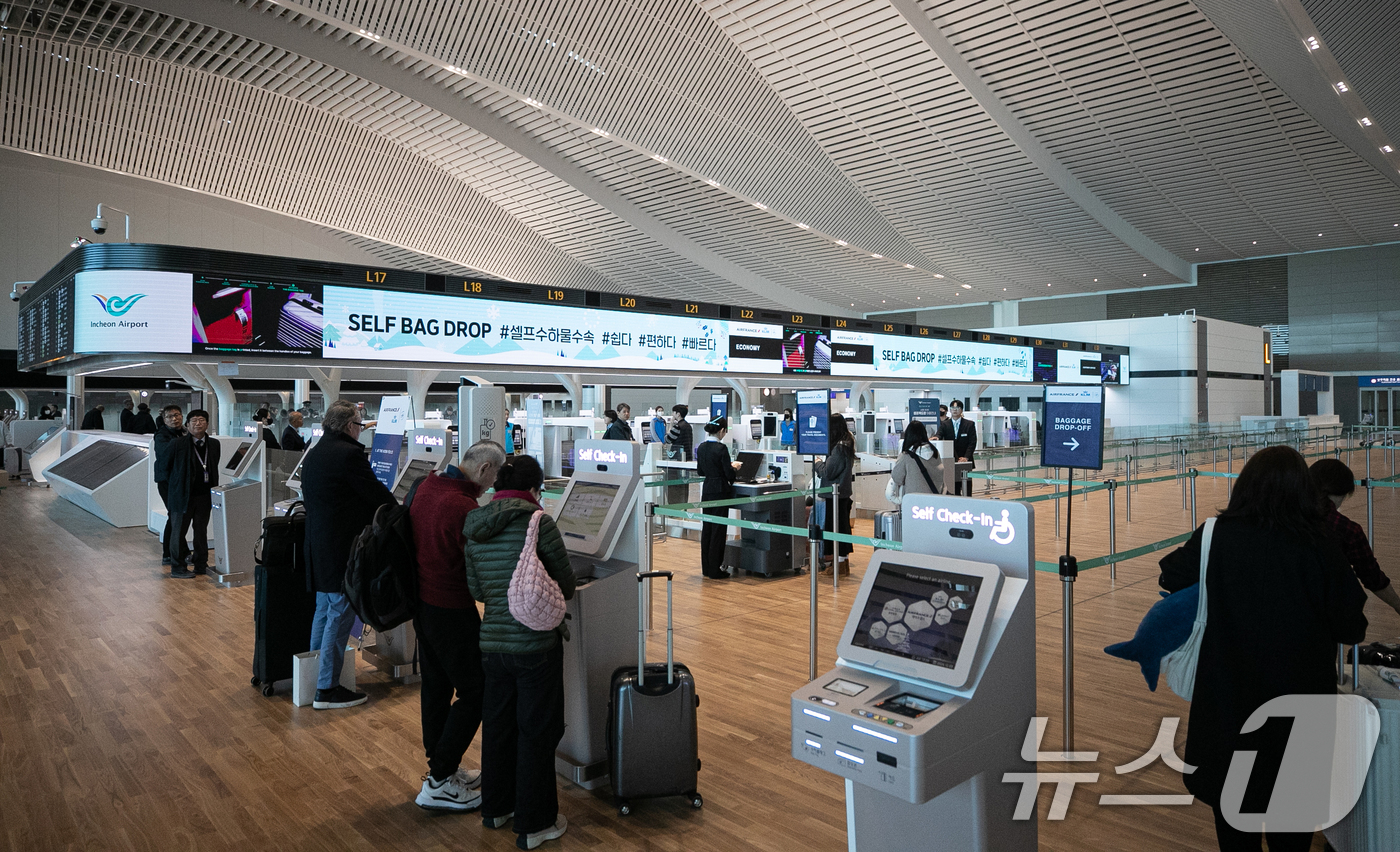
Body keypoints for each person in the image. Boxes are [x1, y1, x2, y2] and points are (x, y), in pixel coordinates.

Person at [1159, 446, 1367, 852]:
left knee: (1235, 818)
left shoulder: (1215, 535)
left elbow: (1171, 575)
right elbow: (1351, 625)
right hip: (1300, 706)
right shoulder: (1319, 543)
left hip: (1228, 701)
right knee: (1293, 822)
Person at [464, 455, 574, 849]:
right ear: (534, 489)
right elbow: (566, 582)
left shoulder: (475, 523)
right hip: (535, 646)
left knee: (497, 727)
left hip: (492, 644)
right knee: (537, 732)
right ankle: (535, 822)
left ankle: (496, 809)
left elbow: (477, 589)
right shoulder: (538, 521)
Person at [411, 439, 506, 813]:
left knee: (435, 686)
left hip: (423, 604)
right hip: (450, 607)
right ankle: (439, 779)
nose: (494, 484)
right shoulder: (460, 505)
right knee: (477, 690)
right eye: (495, 475)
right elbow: (477, 563)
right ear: (485, 469)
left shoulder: (429, 485)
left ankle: (441, 770)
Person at [301, 399, 395, 711]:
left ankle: (312, 678)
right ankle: (327, 689)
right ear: (348, 426)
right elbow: (375, 494)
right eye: (359, 425)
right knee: (340, 616)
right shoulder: (349, 453)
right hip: (341, 548)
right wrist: (399, 510)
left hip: (319, 546)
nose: (360, 431)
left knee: (324, 611)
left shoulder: (317, 451)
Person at [1311, 458, 1400, 617]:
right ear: (1342, 492)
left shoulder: (1285, 518)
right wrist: (1397, 604)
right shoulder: (1347, 530)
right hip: (1323, 616)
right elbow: (1372, 576)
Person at [165, 410, 220, 578]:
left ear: (207, 424)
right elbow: (165, 468)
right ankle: (177, 567)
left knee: (201, 531)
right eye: (194, 420)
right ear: (187, 424)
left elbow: (213, 465)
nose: (198, 423)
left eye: (202, 420)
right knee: (178, 532)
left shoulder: (215, 444)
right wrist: (175, 488)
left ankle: (201, 564)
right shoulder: (177, 444)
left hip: (204, 495)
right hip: (182, 495)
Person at [696, 417, 741, 579]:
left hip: (707, 490)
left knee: (707, 529)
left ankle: (707, 568)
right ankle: (716, 569)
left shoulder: (701, 448)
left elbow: (700, 471)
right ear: (721, 431)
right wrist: (733, 468)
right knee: (718, 530)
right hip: (720, 491)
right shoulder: (721, 449)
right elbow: (728, 475)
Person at [817, 413, 855, 569]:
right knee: (842, 528)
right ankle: (841, 563)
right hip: (842, 493)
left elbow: (828, 472)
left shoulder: (838, 448)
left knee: (835, 529)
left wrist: (818, 463)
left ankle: (838, 565)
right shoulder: (847, 444)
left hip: (835, 495)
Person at [152, 405, 186, 569]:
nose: (174, 419)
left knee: (178, 517)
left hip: (180, 481)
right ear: (164, 420)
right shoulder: (161, 436)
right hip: (167, 482)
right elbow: (166, 455)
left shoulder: (184, 432)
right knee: (174, 516)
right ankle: (168, 554)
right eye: (170, 416)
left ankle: (182, 552)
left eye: (177, 415)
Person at [886, 420, 944, 504]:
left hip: (914, 503)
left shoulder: (906, 456)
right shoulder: (935, 452)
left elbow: (897, 478)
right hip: (934, 501)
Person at [937, 400, 977, 495]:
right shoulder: (945, 424)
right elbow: (939, 434)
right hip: (951, 460)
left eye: (957, 408)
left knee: (967, 486)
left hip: (965, 461)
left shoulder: (969, 424)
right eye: (952, 408)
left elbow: (972, 442)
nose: (954, 410)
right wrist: (936, 437)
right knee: (953, 487)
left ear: (962, 410)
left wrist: (966, 457)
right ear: (950, 410)